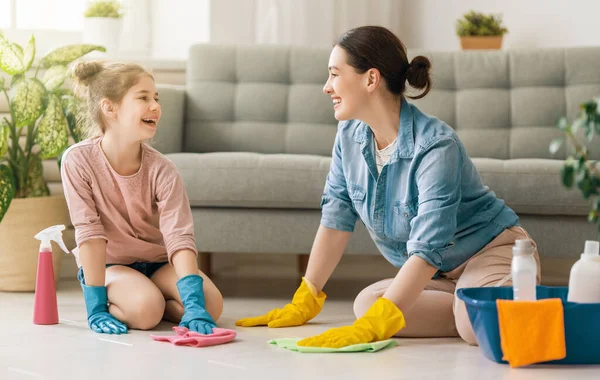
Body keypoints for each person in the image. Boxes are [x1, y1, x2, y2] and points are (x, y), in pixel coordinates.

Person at [236, 26, 541, 347]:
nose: (327, 87)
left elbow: (427, 247)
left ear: (370, 79)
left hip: (491, 252)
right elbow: (336, 218)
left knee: (462, 325)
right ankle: (472, 304)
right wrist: (306, 296)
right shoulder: (349, 137)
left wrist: (379, 324)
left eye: (335, 75)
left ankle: (488, 304)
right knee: (367, 305)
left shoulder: (436, 146)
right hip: (440, 276)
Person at [61, 61, 223, 335]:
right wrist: (96, 306)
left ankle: (159, 303)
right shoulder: (78, 161)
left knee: (212, 306)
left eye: (156, 98)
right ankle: (141, 302)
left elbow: (179, 237)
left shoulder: (163, 169)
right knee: (146, 312)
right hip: (111, 264)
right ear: (109, 108)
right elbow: (89, 234)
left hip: (159, 262)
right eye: (143, 98)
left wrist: (194, 305)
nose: (156, 106)